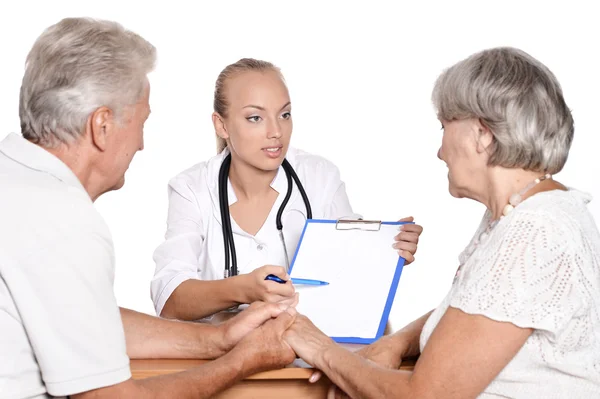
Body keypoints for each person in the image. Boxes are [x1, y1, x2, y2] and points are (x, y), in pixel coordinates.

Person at [0, 17, 299, 399]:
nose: (141, 144)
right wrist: (241, 361)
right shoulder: (64, 220)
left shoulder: (16, 181)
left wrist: (219, 338)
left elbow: (90, 320)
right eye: (141, 121)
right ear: (102, 126)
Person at [283, 47, 600, 398]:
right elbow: (482, 311)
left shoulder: (535, 230)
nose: (440, 151)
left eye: (445, 125)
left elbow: (426, 397)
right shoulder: (529, 211)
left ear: (482, 134)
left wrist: (322, 349)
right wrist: (399, 342)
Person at [150, 58, 424, 321]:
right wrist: (244, 289)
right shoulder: (192, 188)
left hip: (304, 355)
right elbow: (170, 298)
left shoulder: (319, 177)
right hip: (222, 357)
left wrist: (385, 249)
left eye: (284, 114)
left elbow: (348, 274)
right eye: (255, 118)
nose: (276, 131)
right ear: (221, 125)